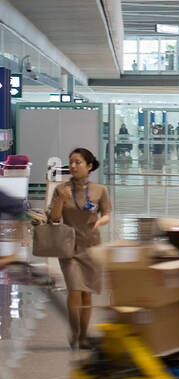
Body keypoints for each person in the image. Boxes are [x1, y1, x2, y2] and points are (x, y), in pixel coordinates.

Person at [47, 148, 111, 349]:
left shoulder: (100, 190)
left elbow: (107, 214)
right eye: (71, 162)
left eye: (78, 162)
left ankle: (84, 334)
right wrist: (60, 200)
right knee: (75, 288)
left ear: (89, 166)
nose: (73, 166)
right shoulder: (61, 189)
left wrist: (99, 223)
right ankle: (74, 330)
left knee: (87, 293)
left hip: (91, 246)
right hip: (69, 246)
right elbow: (54, 218)